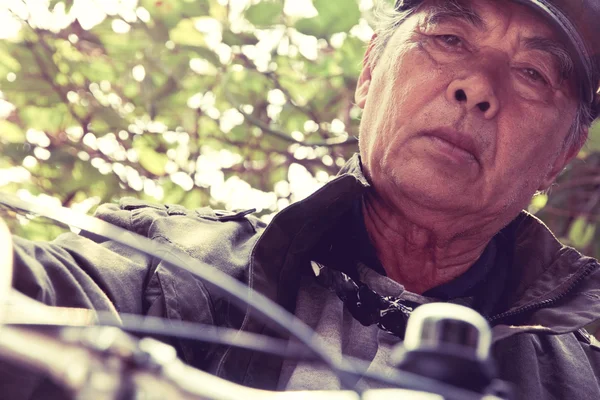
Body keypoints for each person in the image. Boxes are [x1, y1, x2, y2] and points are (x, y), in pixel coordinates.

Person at [2, 0, 600, 398]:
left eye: (534, 75)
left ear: (563, 155)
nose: (477, 87)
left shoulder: (584, 373)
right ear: (368, 74)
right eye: (447, 36)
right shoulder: (168, 261)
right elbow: (46, 289)